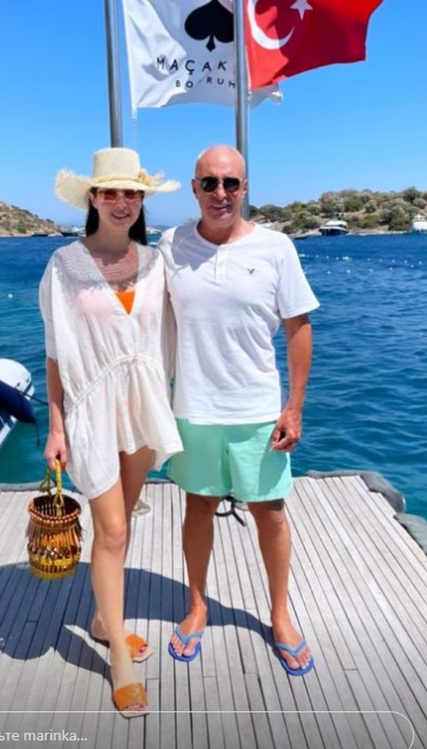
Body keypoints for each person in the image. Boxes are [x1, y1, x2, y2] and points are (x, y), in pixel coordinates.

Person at [159, 144, 319, 676]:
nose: (220, 193)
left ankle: (280, 614)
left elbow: (299, 328)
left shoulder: (276, 248)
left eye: (231, 183)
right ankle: (197, 605)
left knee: (269, 512)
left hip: (257, 410)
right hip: (194, 409)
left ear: (245, 188)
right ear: (194, 188)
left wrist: (294, 408)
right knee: (198, 506)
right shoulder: (171, 245)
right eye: (209, 183)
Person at [39, 147, 183, 717]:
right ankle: (118, 656)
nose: (123, 202)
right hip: (92, 411)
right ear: (94, 198)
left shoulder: (156, 262)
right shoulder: (65, 266)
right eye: (112, 192)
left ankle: (103, 619)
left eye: (133, 194)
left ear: (141, 201)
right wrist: (56, 426)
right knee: (114, 528)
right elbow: (56, 353)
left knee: (121, 524)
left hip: (143, 408)